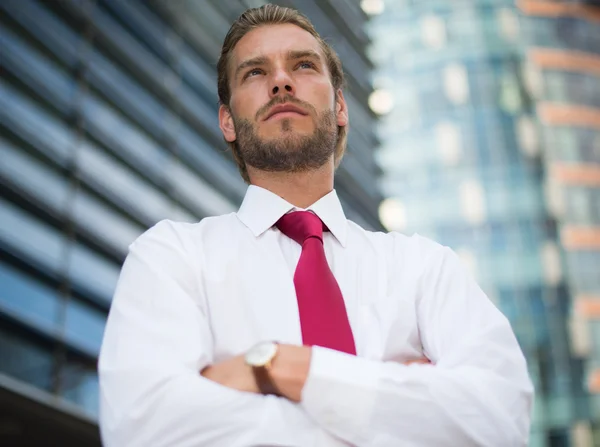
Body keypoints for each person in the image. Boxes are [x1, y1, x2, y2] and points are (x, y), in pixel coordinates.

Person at [98, 4, 533, 446]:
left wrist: (274, 367)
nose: (281, 81)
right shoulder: (172, 257)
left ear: (340, 105)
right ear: (227, 121)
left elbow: (500, 417)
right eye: (254, 73)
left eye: (303, 65)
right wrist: (394, 399)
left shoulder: (424, 267)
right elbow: (144, 429)